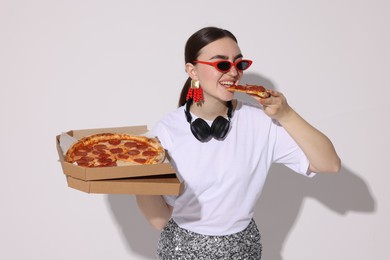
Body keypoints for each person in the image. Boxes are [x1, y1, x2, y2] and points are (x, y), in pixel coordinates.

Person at [136, 26, 341, 259]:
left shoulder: (260, 122)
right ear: (192, 71)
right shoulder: (166, 131)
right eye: (222, 64)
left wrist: (287, 114)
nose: (233, 72)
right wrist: (138, 178)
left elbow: (329, 164)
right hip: (181, 250)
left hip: (243, 248)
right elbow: (159, 219)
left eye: (239, 64)